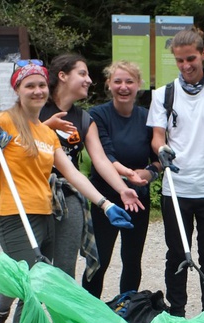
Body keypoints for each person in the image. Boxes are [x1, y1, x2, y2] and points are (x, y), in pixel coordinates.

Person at [0, 60, 138, 323]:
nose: (37, 91)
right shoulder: (3, 121)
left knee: (31, 275)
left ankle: (2, 315)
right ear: (18, 89)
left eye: (41, 85)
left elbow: (73, 173)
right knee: (31, 282)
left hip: (46, 213)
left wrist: (105, 204)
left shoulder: (46, 132)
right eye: (30, 86)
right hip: (15, 214)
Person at [147, 27, 204, 317]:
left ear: (203, 54)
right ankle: (177, 314)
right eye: (179, 60)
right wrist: (162, 151)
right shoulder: (164, 95)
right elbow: (157, 136)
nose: (186, 66)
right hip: (176, 188)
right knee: (176, 254)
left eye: (191, 59)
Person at [39, 54, 146, 280]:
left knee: (65, 268)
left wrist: (121, 190)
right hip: (33, 192)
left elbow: (100, 160)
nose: (89, 80)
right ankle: (4, 312)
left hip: (68, 192)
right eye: (82, 74)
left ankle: (64, 315)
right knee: (31, 263)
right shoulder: (36, 108)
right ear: (62, 76)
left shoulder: (85, 119)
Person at [81, 60, 161, 298]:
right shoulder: (97, 115)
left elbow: (159, 160)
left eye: (129, 81)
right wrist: (127, 173)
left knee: (132, 257)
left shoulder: (148, 117)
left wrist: (147, 174)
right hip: (105, 199)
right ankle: (88, 312)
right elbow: (104, 155)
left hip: (138, 197)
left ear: (139, 85)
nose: (123, 87)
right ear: (108, 84)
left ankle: (127, 307)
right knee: (100, 258)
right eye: (118, 81)